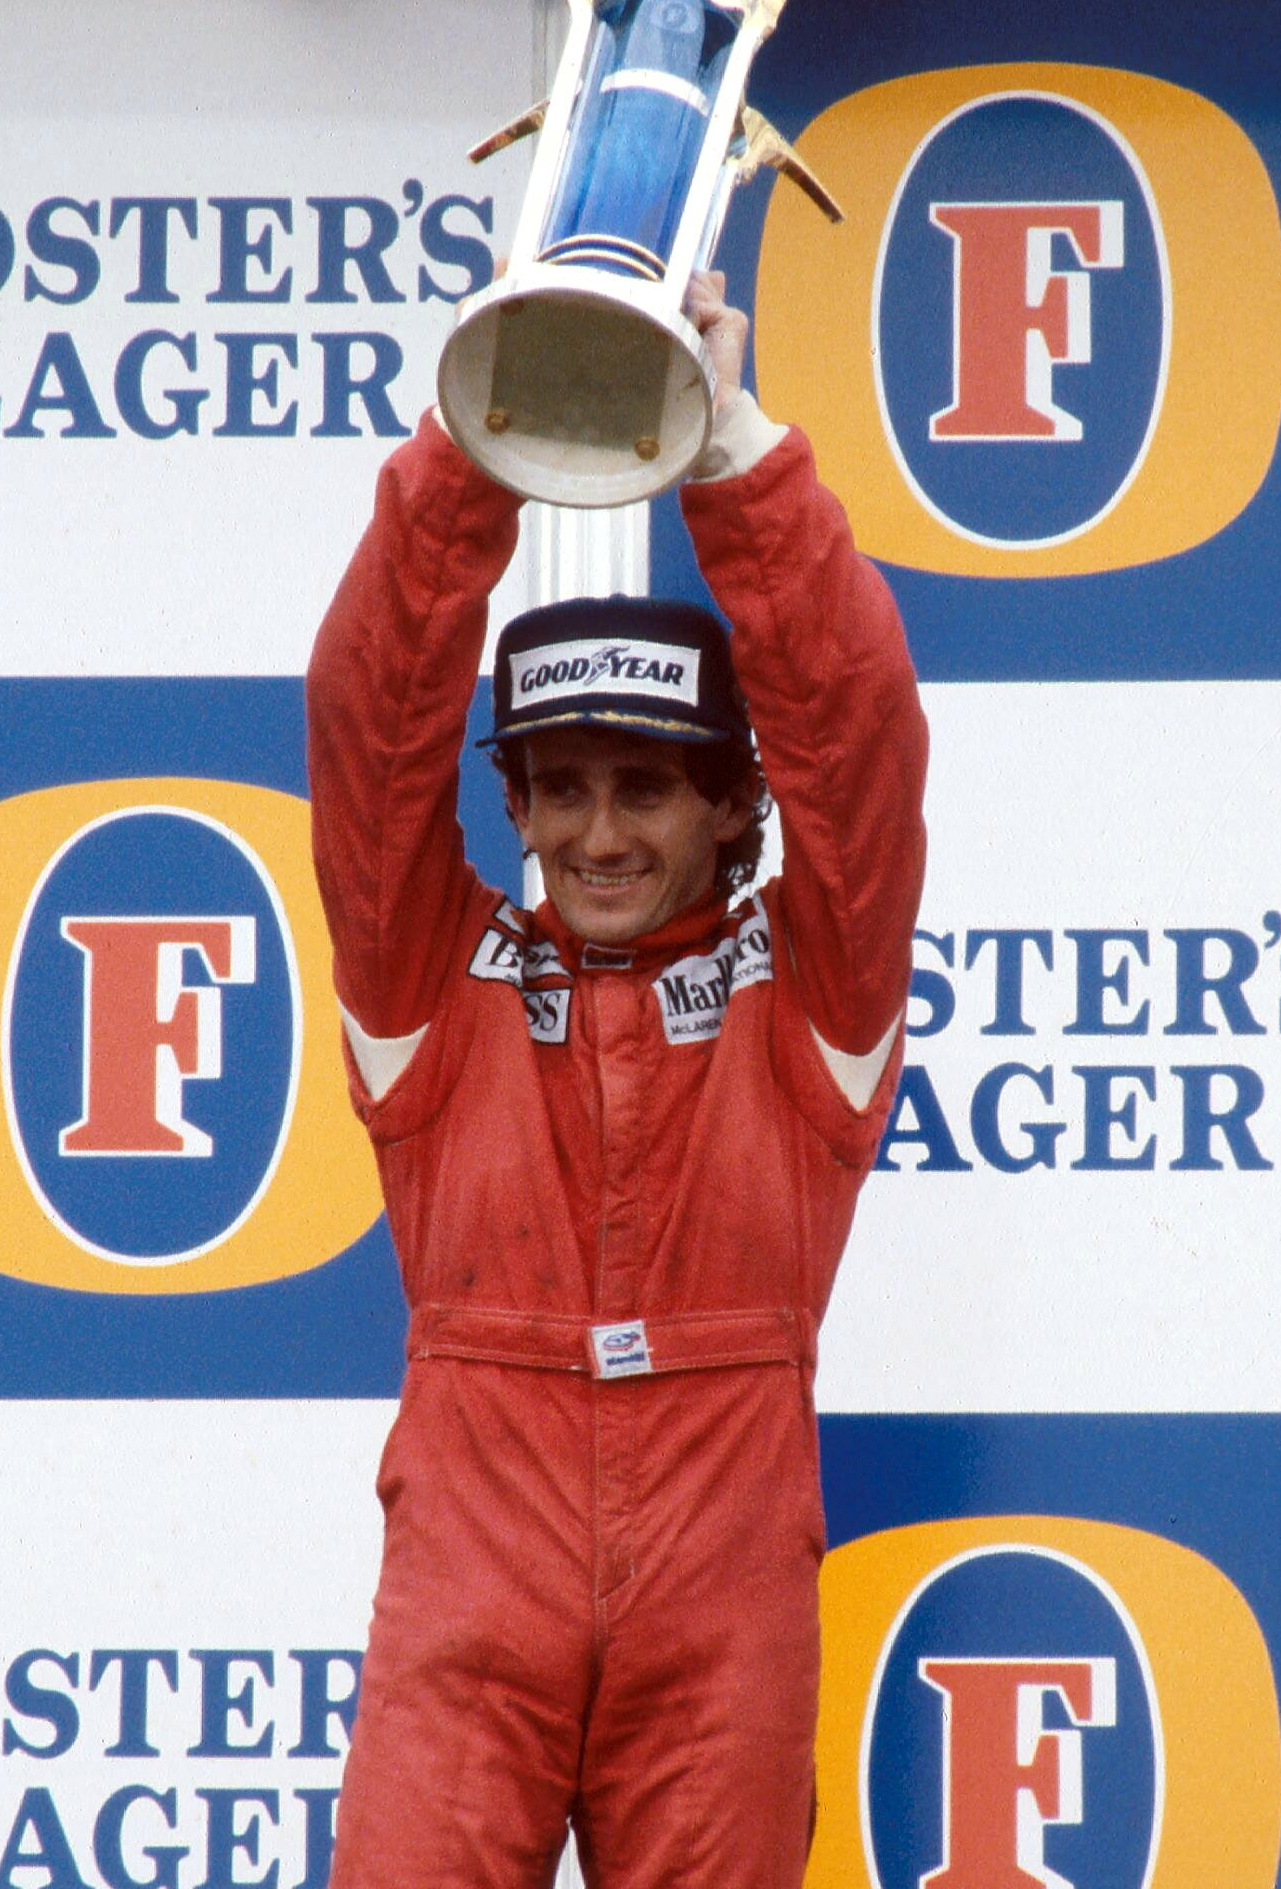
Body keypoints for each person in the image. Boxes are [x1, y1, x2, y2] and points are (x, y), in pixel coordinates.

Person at [306, 272, 927, 1889]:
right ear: (512, 802)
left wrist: (730, 453)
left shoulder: (815, 995)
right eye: (561, 785)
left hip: (721, 1594)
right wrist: (477, 446)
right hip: (474, 1570)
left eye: (645, 787)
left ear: (729, 805)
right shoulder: (427, 978)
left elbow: (859, 739)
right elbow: (372, 723)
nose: (596, 833)